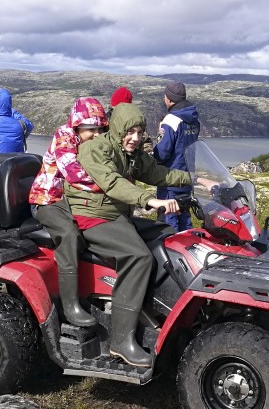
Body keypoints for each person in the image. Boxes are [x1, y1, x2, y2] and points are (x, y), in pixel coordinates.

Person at [65, 103, 196, 368]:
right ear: (117, 129)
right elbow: (112, 182)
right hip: (93, 217)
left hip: (116, 216)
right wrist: (149, 200)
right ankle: (121, 341)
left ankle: (155, 307)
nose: (136, 138)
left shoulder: (131, 153)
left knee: (169, 236)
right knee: (139, 257)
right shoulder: (95, 148)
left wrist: (196, 180)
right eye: (130, 132)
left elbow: (158, 172)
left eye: (140, 132)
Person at [28, 97, 109, 327]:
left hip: (73, 200)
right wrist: (109, 185)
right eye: (91, 128)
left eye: (100, 128)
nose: (96, 134)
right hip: (47, 200)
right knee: (69, 234)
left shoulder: (91, 141)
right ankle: (69, 305)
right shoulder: (64, 137)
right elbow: (73, 173)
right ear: (77, 125)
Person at [153, 81, 200, 230]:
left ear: (169, 99)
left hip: (170, 178)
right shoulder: (193, 119)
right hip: (187, 177)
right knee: (184, 218)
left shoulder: (171, 120)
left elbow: (162, 153)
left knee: (168, 221)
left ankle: (170, 251)